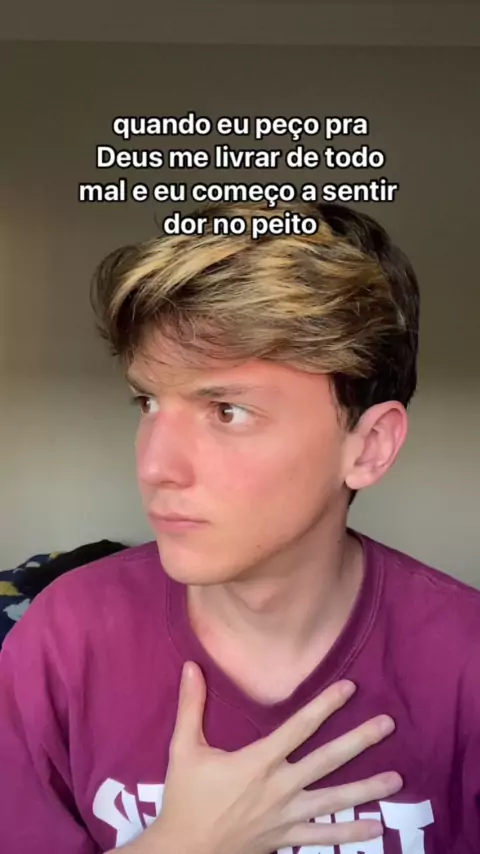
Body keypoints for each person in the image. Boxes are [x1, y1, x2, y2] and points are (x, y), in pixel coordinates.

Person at [0, 200, 478, 854]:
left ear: (368, 447)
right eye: (147, 401)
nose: (155, 465)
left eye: (227, 410)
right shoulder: (65, 639)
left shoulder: (464, 667)